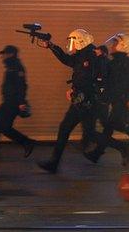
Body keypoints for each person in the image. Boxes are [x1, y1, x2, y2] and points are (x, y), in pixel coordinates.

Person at [84, 33, 129, 165]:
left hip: (122, 101)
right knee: (112, 127)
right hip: (117, 99)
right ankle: (98, 154)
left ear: (122, 46)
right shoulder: (117, 61)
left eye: (114, 44)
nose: (112, 46)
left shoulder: (125, 62)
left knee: (119, 126)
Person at [37, 29, 103, 174]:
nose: (71, 45)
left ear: (80, 41)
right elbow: (67, 60)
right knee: (88, 132)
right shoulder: (83, 55)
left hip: (85, 101)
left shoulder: (91, 56)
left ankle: (54, 163)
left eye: (73, 41)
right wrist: (51, 46)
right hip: (83, 100)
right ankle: (121, 148)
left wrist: (75, 90)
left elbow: (88, 79)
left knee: (66, 128)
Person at [0, 45, 36, 161]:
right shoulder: (11, 67)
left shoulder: (17, 68)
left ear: (11, 54)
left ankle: (27, 142)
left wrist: (21, 102)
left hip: (13, 103)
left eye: (4, 54)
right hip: (7, 102)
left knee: (5, 128)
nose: (2, 56)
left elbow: (21, 86)